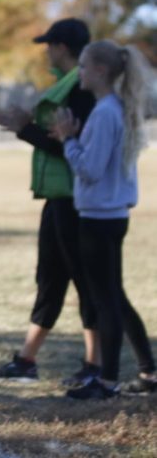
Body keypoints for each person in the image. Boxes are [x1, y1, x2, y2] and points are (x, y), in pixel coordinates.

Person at [0, 18, 99, 386]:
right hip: (57, 198)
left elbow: (69, 146)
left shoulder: (82, 91)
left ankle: (94, 365)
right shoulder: (67, 86)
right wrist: (26, 128)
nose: (46, 52)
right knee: (49, 277)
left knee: (86, 281)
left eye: (49, 45)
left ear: (63, 47)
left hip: (76, 200)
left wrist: (25, 128)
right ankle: (27, 360)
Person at [52, 40, 156, 400]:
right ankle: (148, 370)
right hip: (113, 216)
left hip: (98, 218)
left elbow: (90, 170)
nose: (77, 72)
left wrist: (68, 140)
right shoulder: (116, 109)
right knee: (116, 296)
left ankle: (107, 382)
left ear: (100, 71)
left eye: (82, 66)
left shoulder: (105, 112)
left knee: (105, 300)